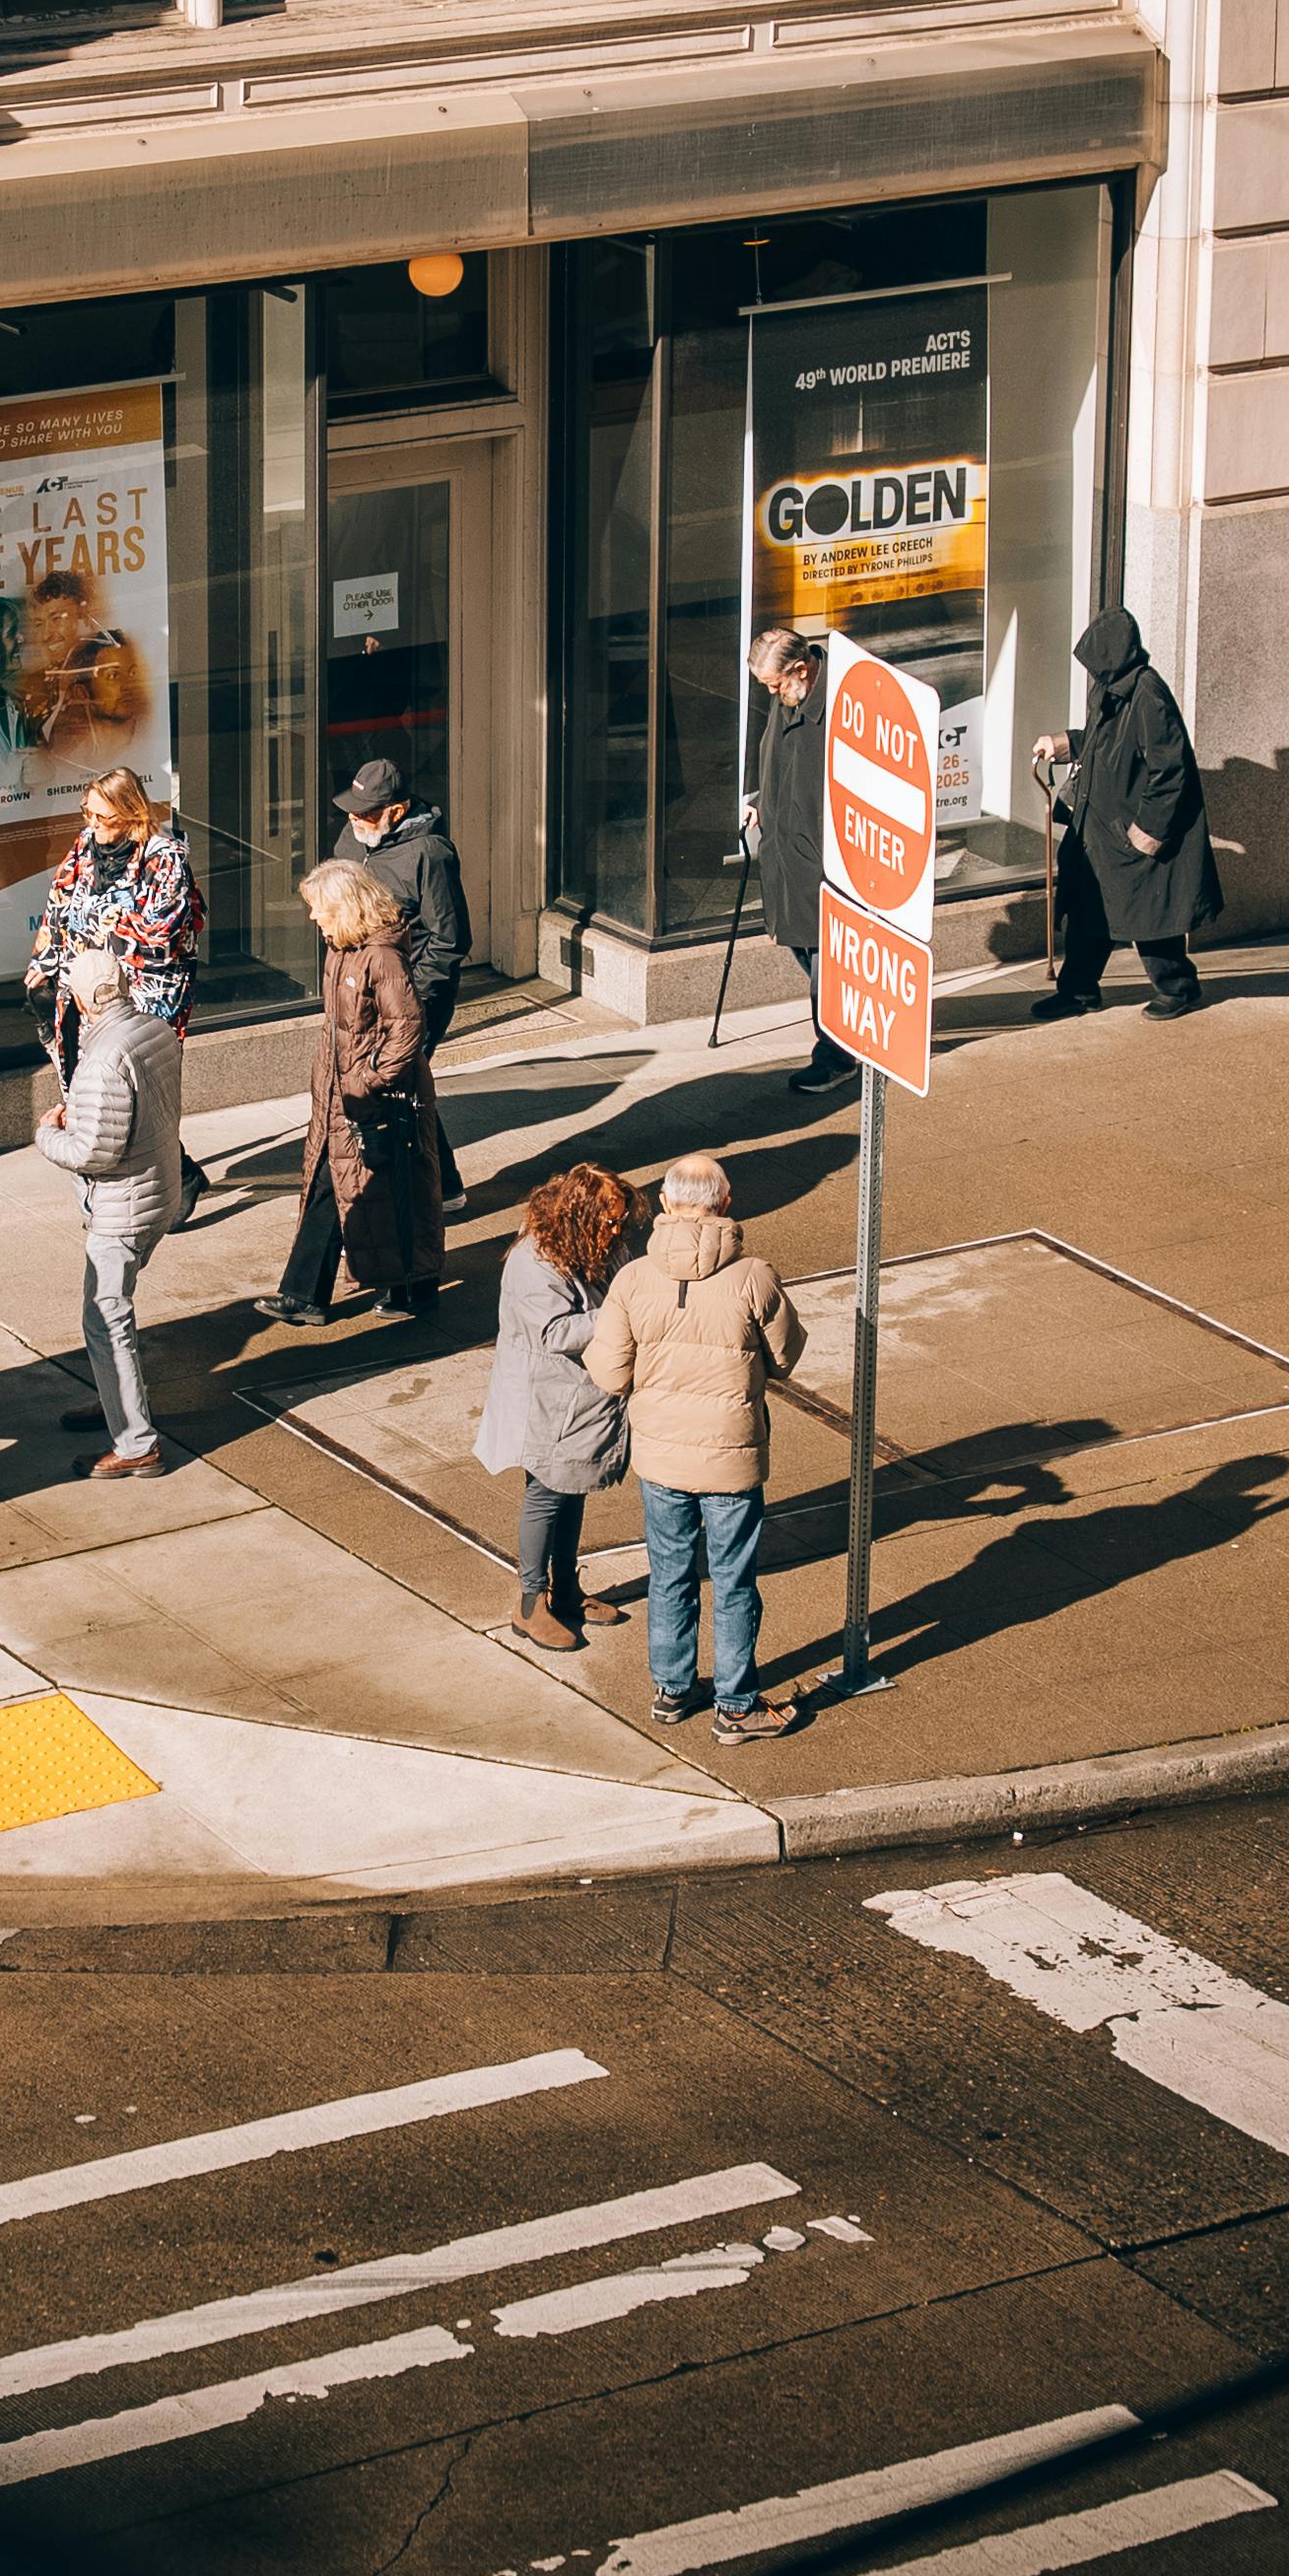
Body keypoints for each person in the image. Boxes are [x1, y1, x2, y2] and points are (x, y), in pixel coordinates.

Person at [585, 1153, 805, 1745]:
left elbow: (608, 1371)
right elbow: (785, 1358)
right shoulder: (754, 1276)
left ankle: (673, 1690)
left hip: (659, 1457)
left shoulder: (632, 1278)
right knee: (733, 1580)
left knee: (670, 1573)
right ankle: (736, 1706)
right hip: (732, 1457)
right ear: (725, 1204)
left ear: (664, 1204)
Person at [30, 943, 187, 1475]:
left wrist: (48, 1134)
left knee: (104, 1318)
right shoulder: (155, 1030)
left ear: (81, 998)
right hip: (159, 1191)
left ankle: (137, 1446)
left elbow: (92, 1152)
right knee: (113, 1315)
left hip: (123, 1207)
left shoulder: (101, 1059)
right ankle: (116, 1398)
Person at [26, 769, 211, 1215]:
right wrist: (44, 963)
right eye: (88, 813)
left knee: (140, 1094)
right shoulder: (85, 847)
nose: (93, 825)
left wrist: (94, 942)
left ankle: (175, 1180)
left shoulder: (165, 856)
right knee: (96, 1091)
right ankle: (130, 1181)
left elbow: (161, 937)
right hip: (87, 988)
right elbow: (59, 905)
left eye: (104, 817)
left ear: (131, 814)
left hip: (147, 997)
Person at [266, 860, 443, 1325]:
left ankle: (416, 1288)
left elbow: (407, 1027)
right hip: (341, 1098)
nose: (312, 917)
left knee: (398, 1191)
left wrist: (367, 1080)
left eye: (318, 908)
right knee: (331, 1185)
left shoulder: (381, 958)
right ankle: (305, 1293)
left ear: (345, 907)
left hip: (381, 1101)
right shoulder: (341, 951)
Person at [476, 1161, 638, 1654]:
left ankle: (566, 1587)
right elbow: (554, 1332)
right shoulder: (534, 1262)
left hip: (582, 1399)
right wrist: (620, 1312)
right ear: (579, 1215)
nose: (616, 1229)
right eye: (608, 1220)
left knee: (575, 1487)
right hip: (548, 1399)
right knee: (547, 1492)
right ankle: (530, 1603)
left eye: (620, 1220)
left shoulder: (598, 1245)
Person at [1030, 606, 1222, 1021]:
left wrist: (1145, 833)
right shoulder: (1111, 688)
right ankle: (1079, 990)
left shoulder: (1149, 695)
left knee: (1147, 915)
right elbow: (1102, 742)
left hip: (1129, 830)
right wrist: (1062, 743)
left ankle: (1179, 988)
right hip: (1100, 827)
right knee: (1087, 909)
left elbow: (1171, 772)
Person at [335, 756, 471, 1207]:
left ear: (398, 809)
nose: (356, 819)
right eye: (353, 809)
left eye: (368, 812)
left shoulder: (430, 853)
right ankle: (443, 1185)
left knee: (397, 1083)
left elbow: (449, 938)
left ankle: (436, 1187)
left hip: (408, 996)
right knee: (404, 1085)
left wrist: (414, 999)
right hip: (359, 987)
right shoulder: (354, 836)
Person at [745, 628, 848, 1097]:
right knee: (805, 950)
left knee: (826, 962)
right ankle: (849, 1027)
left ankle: (835, 1055)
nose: (771, 694)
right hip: (785, 850)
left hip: (824, 859)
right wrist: (759, 797)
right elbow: (773, 753)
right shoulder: (788, 696)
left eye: (774, 684)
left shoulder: (839, 706)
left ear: (800, 670)